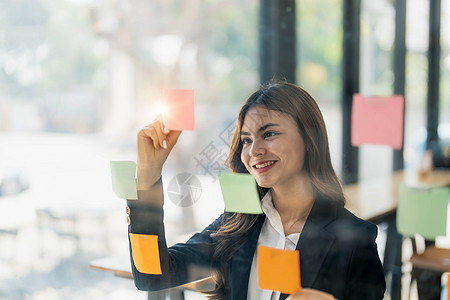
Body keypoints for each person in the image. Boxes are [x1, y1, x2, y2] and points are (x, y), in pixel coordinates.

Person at [126, 81, 386, 300]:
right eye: (247, 139)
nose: (254, 151)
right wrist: (149, 176)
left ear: (310, 138)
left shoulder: (356, 240)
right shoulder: (238, 224)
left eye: (269, 134)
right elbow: (152, 274)